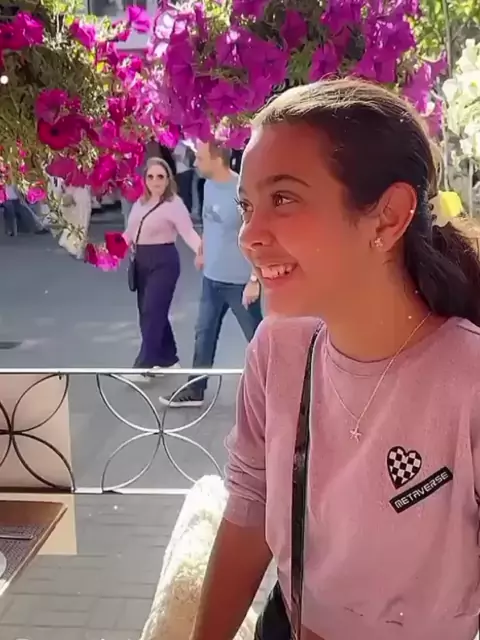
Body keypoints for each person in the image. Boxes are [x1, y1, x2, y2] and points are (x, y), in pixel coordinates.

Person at [190, 78, 480, 640]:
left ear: (388, 216)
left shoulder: (467, 378)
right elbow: (251, 506)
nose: (249, 235)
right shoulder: (278, 349)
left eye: (284, 198)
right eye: (248, 205)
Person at [158, 141, 263, 408]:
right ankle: (195, 389)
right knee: (203, 334)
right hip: (212, 279)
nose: (195, 163)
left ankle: (276, 393)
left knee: (258, 340)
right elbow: (209, 223)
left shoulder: (243, 191)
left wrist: (255, 280)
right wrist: (203, 250)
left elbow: (259, 237)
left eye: (200, 158)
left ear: (217, 159)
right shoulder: (207, 185)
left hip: (239, 282)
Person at [124, 157, 201, 382]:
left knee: (152, 311)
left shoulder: (174, 204)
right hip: (141, 262)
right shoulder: (139, 203)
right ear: (144, 179)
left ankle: (144, 367)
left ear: (168, 179)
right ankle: (168, 359)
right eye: (150, 177)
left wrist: (202, 252)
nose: (155, 181)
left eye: (160, 176)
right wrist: (108, 251)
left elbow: (188, 232)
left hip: (164, 262)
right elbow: (129, 234)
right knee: (150, 312)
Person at [58, 184, 92, 259]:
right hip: (80, 193)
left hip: (72, 191)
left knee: (74, 221)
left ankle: (72, 245)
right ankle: (77, 248)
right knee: (82, 221)